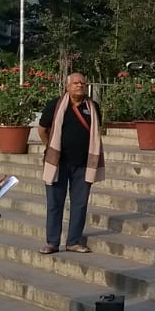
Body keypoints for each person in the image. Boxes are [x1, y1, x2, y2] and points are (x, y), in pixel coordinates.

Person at [39, 73, 105, 254]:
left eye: (83, 83)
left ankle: (73, 241)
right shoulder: (55, 105)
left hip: (84, 164)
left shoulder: (92, 107)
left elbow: (96, 132)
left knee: (80, 204)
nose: (80, 85)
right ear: (67, 86)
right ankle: (52, 242)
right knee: (54, 203)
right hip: (58, 163)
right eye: (75, 83)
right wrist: (51, 148)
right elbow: (42, 129)